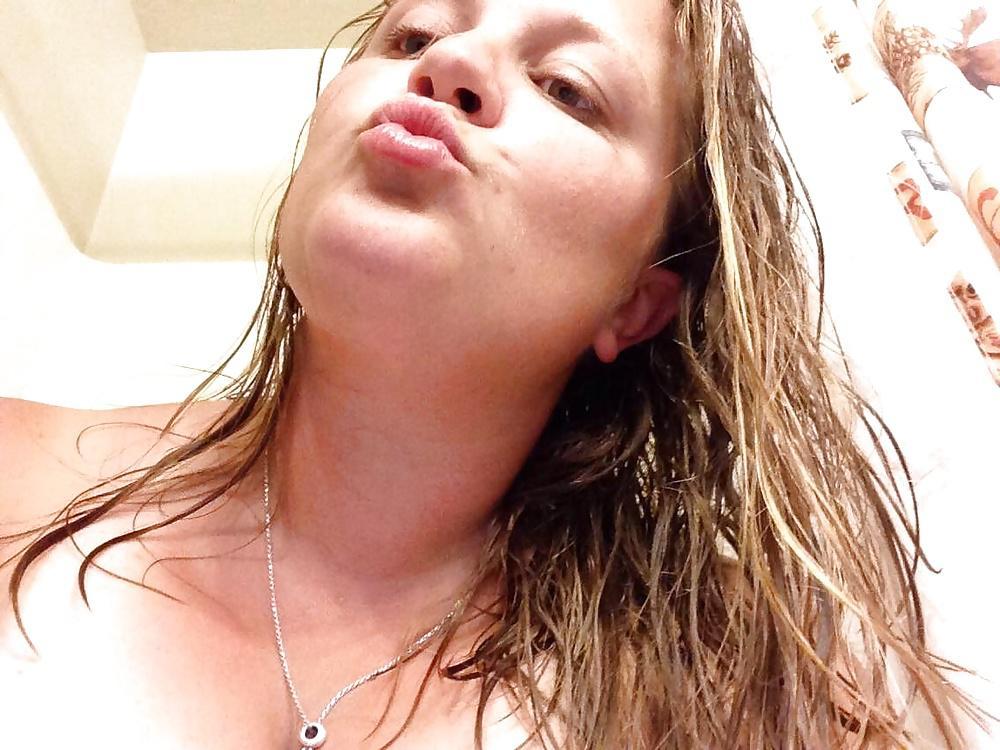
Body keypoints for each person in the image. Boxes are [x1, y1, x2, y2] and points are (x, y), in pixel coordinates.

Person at [0, 0, 993, 748]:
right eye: (412, 35)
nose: (451, 62)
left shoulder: (743, 700)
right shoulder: (18, 473)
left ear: (638, 303)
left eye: (567, 87)